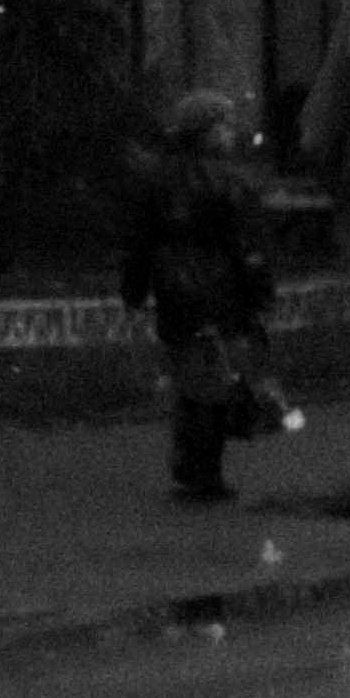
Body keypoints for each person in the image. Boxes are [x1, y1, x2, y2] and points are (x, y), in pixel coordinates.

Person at [116, 89, 281, 509]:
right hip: (221, 291)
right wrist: (261, 293)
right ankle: (204, 471)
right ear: (205, 132)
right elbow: (248, 247)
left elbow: (138, 243)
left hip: (174, 292)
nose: (229, 133)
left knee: (193, 379)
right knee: (218, 380)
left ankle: (192, 463)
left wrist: (134, 291)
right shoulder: (229, 183)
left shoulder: (156, 180)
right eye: (222, 125)